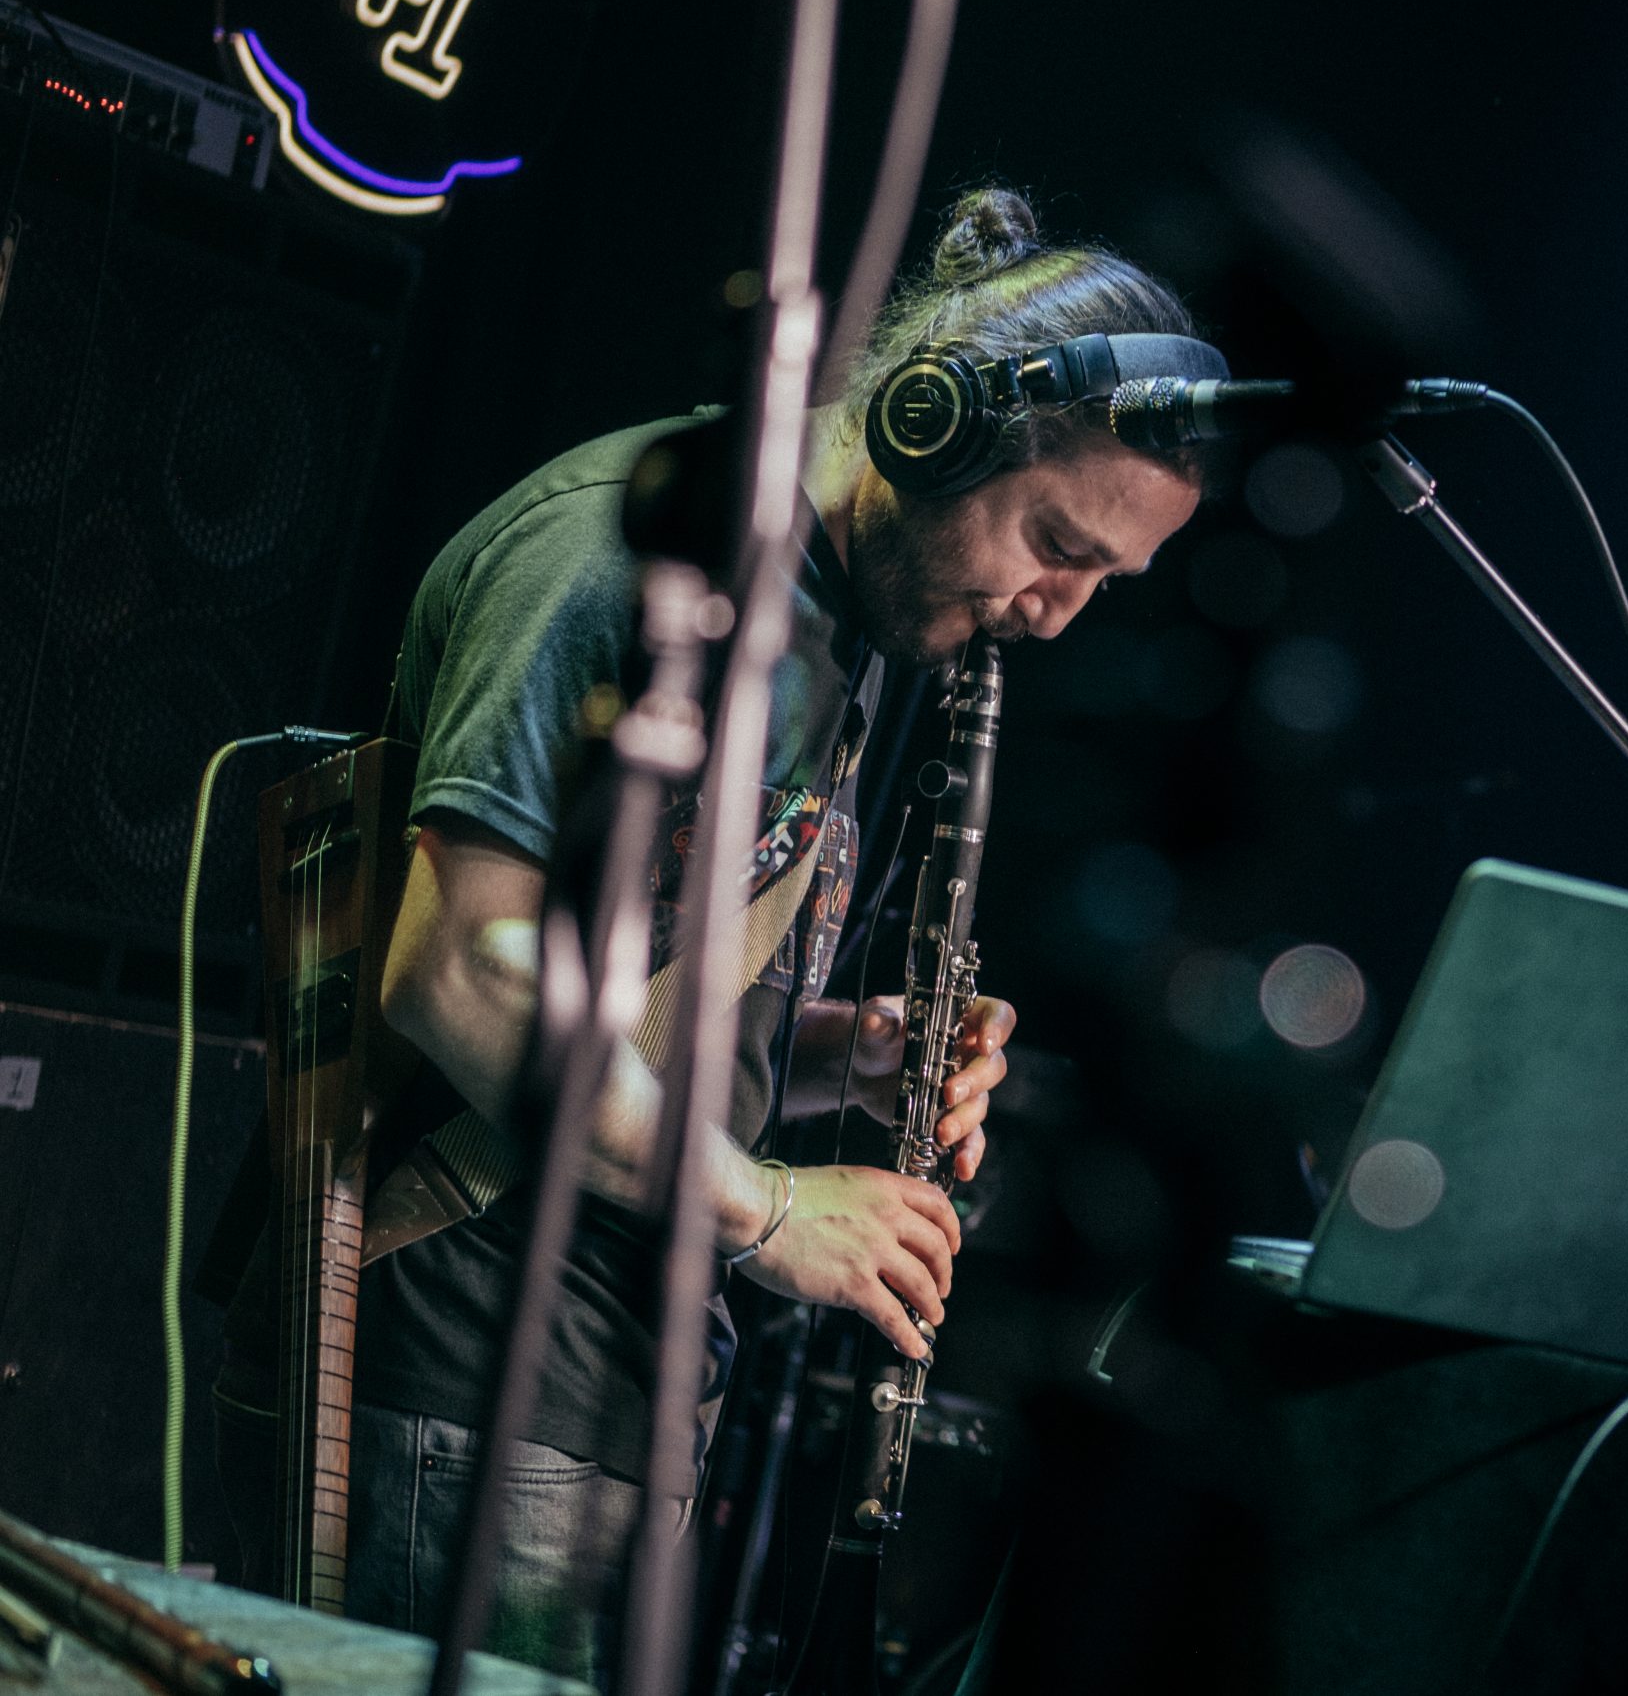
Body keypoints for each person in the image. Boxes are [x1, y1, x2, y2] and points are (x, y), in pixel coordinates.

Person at [214, 188, 1212, 1683]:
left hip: (616, 1396)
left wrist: (841, 1058)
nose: (1056, 616)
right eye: (1054, 544)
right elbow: (457, 974)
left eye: (1102, 586)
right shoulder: (628, 561)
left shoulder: (863, 610)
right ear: (930, 424)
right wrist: (770, 1210)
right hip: (457, 1374)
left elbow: (649, 1002)